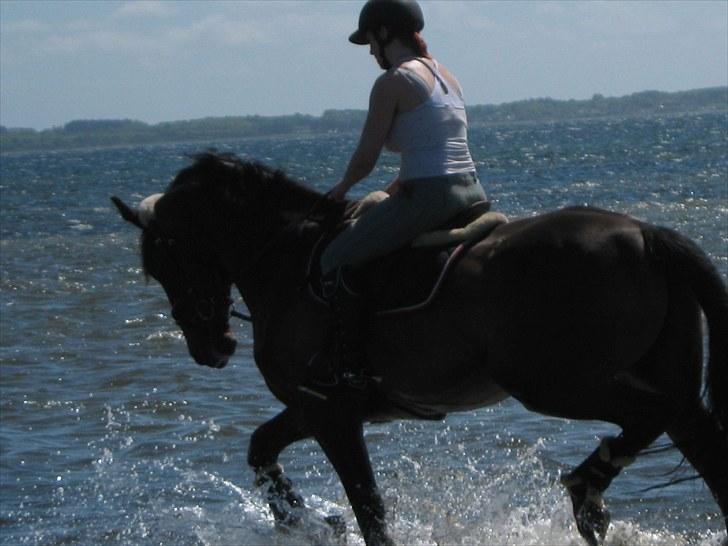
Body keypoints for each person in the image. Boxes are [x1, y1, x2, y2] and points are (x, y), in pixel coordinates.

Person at [303, 0, 487, 394]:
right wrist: (395, 187)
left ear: (385, 35)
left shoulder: (393, 82)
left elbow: (366, 156)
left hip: (431, 198)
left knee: (334, 258)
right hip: (471, 189)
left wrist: (341, 189)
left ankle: (349, 364)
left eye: (371, 42)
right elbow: (431, 146)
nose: (371, 52)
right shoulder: (447, 76)